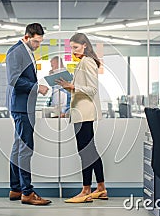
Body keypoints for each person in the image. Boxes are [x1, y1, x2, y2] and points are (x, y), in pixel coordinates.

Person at [56, 33, 107, 203]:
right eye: (71, 48)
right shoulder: (82, 62)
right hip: (81, 113)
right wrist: (69, 87)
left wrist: (72, 86)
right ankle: (100, 188)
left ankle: (86, 190)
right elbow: (83, 88)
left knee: (85, 152)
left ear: (85, 45)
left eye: (76, 47)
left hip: (84, 114)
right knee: (90, 151)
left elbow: (92, 89)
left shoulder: (88, 62)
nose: (73, 51)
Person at [6, 23, 51, 205]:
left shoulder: (27, 51)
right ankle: (27, 192)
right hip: (21, 107)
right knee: (26, 149)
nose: (38, 45)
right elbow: (14, 79)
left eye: (40, 41)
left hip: (24, 106)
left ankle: (16, 189)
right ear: (26, 36)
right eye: (35, 41)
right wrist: (36, 87)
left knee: (18, 148)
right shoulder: (17, 51)